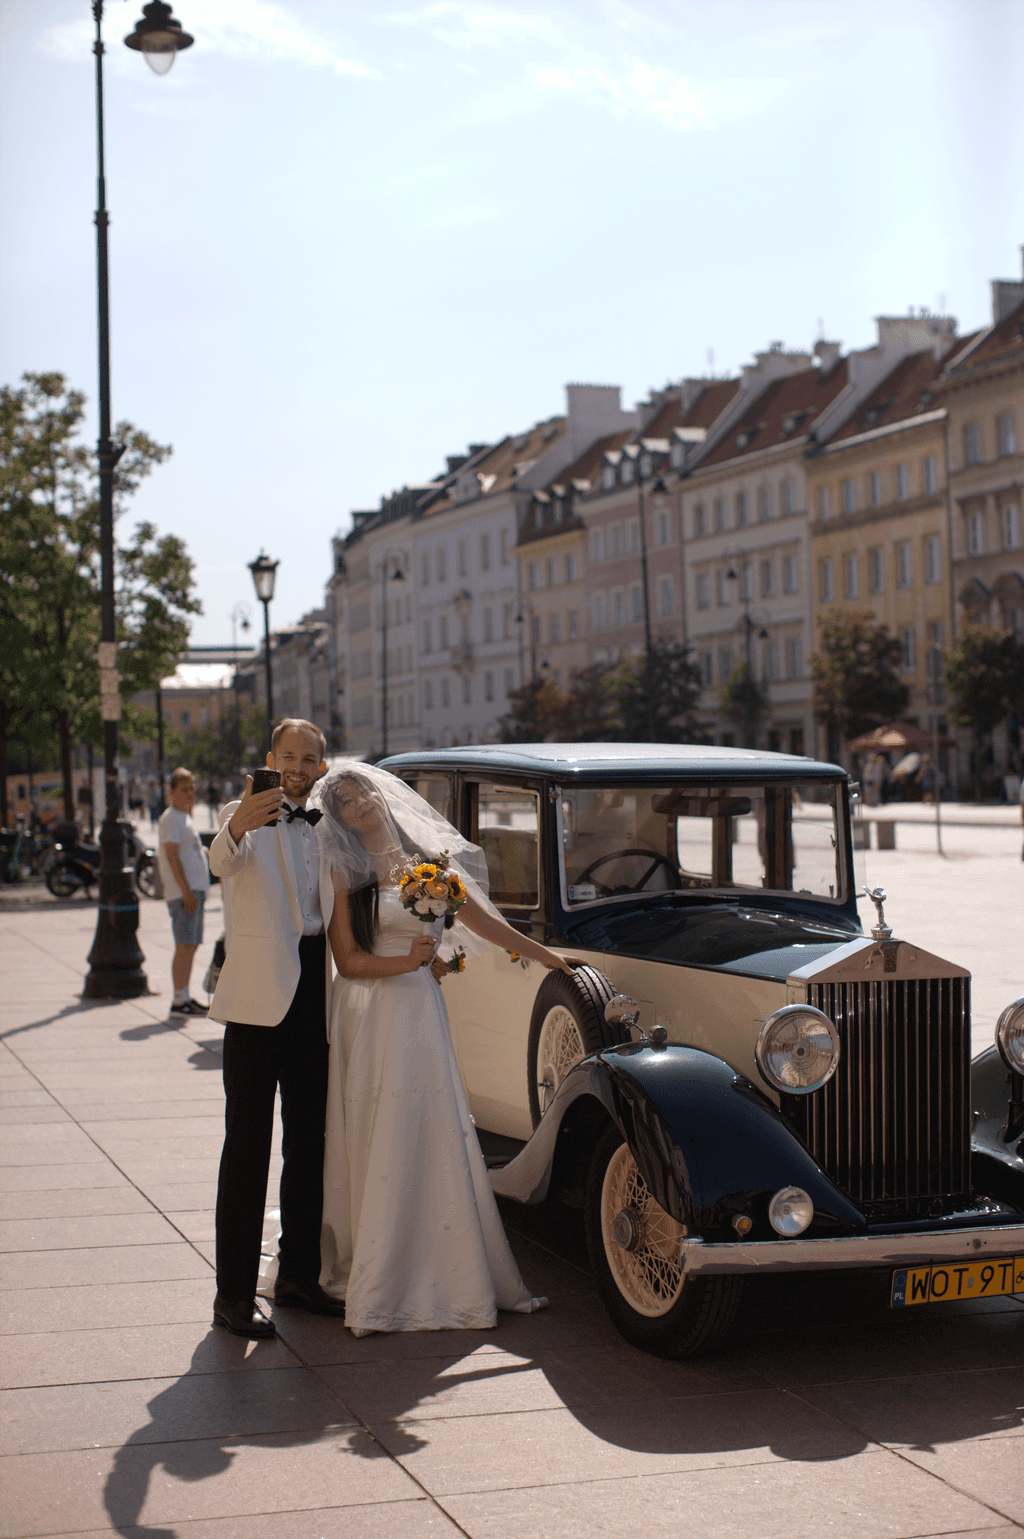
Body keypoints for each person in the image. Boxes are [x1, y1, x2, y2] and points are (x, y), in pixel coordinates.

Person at [313, 760, 581, 1337]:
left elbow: (484, 921)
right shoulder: (341, 867)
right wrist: (404, 963)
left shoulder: (430, 863)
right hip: (371, 1008)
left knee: (431, 1123)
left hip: (419, 1010)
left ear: (383, 797)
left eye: (363, 796)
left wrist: (549, 958)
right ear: (337, 820)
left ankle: (444, 1263)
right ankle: (377, 1264)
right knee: (376, 1124)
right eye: (345, 806)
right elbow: (348, 962)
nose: (359, 807)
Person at [207, 719, 346, 1340]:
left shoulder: (327, 827)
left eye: (308, 756)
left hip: (316, 992)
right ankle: (232, 1295)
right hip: (257, 1002)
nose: (296, 765)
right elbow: (219, 860)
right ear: (270, 759)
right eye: (287, 754)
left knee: (309, 1145)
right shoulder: (242, 816)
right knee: (247, 1148)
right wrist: (239, 824)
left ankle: (298, 1278)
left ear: (321, 765)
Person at [157, 768, 211, 1018]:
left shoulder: (184, 817)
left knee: (191, 945)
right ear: (171, 792)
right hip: (184, 894)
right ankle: (179, 999)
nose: (190, 793)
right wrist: (186, 891)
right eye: (184, 789)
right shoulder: (171, 819)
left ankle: (185, 995)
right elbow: (172, 856)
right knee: (184, 944)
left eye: (192, 787)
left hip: (194, 891)